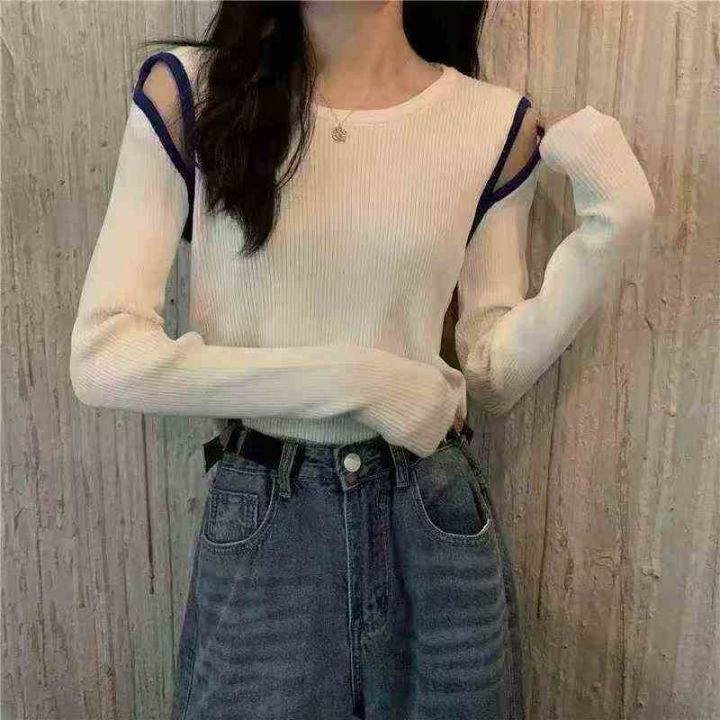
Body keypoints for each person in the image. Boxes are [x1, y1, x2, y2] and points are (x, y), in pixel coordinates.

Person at [69, 2, 655, 718]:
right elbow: (104, 354)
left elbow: (490, 374)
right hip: (268, 524)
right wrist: (361, 381)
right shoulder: (191, 93)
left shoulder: (491, 124)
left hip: (431, 519)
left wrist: (613, 224)